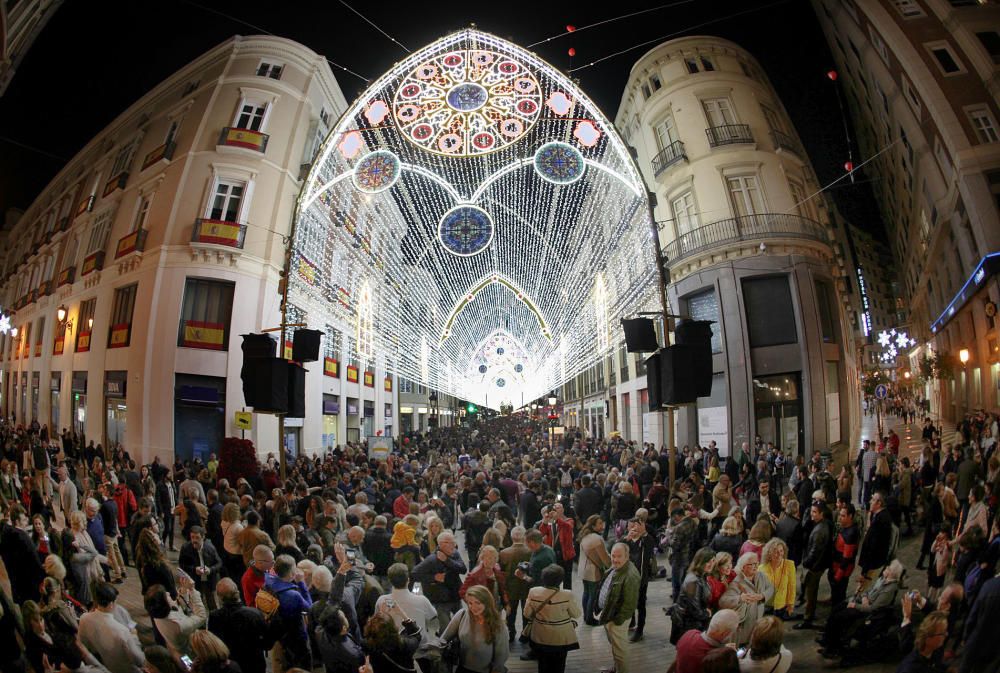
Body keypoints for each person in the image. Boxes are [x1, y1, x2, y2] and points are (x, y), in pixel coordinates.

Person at [816, 559, 904, 658]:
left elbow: (874, 608)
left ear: (892, 573)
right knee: (837, 608)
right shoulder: (882, 579)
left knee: (839, 617)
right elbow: (868, 591)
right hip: (862, 602)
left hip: (866, 612)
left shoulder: (889, 589)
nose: (886, 568)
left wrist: (856, 605)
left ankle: (834, 646)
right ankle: (828, 639)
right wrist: (864, 597)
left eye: (889, 568)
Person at [438, 584, 510, 673]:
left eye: (477, 603)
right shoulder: (462, 615)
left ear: (487, 602)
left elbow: (501, 655)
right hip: (461, 668)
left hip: (486, 671)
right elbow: (444, 639)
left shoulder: (498, 624)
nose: (473, 607)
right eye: (470, 603)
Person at [522, 564, 581, 673]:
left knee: (543, 665)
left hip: (540, 635)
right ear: (560, 580)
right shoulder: (567, 595)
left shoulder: (533, 592)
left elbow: (527, 614)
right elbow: (576, 614)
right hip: (561, 637)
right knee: (559, 665)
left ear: (543, 578)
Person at [78, 582, 145, 673]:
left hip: (106, 666)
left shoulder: (84, 619)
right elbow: (139, 660)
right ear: (111, 604)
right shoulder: (121, 630)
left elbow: (83, 645)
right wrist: (134, 636)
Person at [209, 578, 272, 673]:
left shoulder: (215, 617)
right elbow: (268, 644)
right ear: (238, 592)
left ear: (220, 597)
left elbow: (215, 647)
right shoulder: (255, 613)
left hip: (231, 667)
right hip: (255, 665)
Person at [264, 553, 313, 670]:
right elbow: (309, 608)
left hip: (278, 631)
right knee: (302, 662)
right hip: (296, 634)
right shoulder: (292, 595)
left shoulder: (268, 581)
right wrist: (301, 583)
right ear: (292, 574)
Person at [596, 542, 640, 673]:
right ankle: (617, 669)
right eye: (613, 556)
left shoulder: (630, 575)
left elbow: (629, 605)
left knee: (620, 652)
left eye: (619, 556)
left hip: (616, 620)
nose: (615, 559)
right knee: (616, 648)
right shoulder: (618, 567)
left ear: (627, 556)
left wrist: (616, 621)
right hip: (609, 615)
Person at [411, 530, 468, 631]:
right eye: (449, 542)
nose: (453, 545)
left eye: (453, 542)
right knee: (446, 629)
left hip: (455, 595)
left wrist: (446, 560)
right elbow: (414, 574)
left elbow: (463, 569)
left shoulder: (455, 553)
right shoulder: (432, 559)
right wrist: (433, 578)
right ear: (440, 544)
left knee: (462, 624)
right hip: (441, 599)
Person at [144, 577, 207, 659]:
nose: (168, 593)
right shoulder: (179, 626)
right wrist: (192, 590)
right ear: (164, 604)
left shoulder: (157, 613)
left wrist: (184, 589)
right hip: (189, 654)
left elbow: (178, 606)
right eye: (166, 595)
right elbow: (201, 616)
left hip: (175, 648)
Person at [719, 552, 774, 646]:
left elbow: (771, 588)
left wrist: (763, 596)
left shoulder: (761, 576)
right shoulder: (737, 582)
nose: (755, 566)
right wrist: (740, 598)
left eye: (756, 563)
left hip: (757, 622)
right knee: (742, 648)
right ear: (743, 567)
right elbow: (723, 601)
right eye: (752, 564)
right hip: (743, 626)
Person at [374, 563, 438, 644]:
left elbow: (377, 620)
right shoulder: (422, 600)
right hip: (419, 646)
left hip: (392, 647)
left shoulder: (382, 600)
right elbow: (432, 615)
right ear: (408, 580)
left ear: (390, 581)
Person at [794, 503, 833, 629]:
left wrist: (806, 563)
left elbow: (815, 551)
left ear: (821, 514)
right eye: (812, 511)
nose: (812, 514)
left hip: (814, 567)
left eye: (815, 512)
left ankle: (807, 618)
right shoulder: (823, 525)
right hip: (817, 565)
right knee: (811, 592)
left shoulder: (819, 531)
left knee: (811, 593)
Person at [671, 547, 715, 644]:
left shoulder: (701, 576)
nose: (711, 564)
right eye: (708, 561)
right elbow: (694, 610)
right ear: (700, 561)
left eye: (713, 561)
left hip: (693, 624)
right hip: (689, 626)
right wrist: (707, 613)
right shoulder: (693, 580)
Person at [674, 609, 740, 673]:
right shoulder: (718, 659)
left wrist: (723, 648)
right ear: (725, 633)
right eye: (733, 632)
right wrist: (730, 657)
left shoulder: (689, 633)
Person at [362, 603, 422, 673]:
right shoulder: (405, 645)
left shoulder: (367, 645)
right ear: (393, 628)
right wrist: (403, 614)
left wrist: (380, 616)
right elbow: (417, 636)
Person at [498, 525, 533, 638]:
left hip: (510, 588)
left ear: (512, 537)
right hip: (526, 587)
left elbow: (501, 573)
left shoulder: (504, 553)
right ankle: (525, 633)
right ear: (524, 537)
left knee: (510, 612)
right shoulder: (531, 552)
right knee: (526, 612)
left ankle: (511, 632)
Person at [577, 515, 610, 626]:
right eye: (600, 523)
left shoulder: (585, 536)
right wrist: (611, 565)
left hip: (583, 570)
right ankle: (590, 618)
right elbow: (604, 558)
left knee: (586, 592)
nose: (602, 525)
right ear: (593, 525)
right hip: (592, 571)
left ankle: (586, 616)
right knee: (592, 594)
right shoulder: (596, 539)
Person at [178, 526, 222, 610]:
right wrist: (194, 569)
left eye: (197, 538)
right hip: (195, 582)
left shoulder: (210, 548)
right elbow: (182, 565)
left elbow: (219, 563)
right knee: (196, 605)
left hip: (209, 582)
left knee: (213, 605)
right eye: (192, 537)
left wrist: (211, 570)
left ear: (203, 537)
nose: (194, 540)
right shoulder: (186, 548)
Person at [858, 492, 893, 591]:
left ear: (879, 503)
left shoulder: (881, 520)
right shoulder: (879, 516)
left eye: (873, 500)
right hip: (874, 562)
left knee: (864, 589)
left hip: (873, 563)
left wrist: (864, 571)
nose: (870, 501)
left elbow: (873, 547)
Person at [316, 606, 366, 673]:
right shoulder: (354, 655)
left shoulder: (319, 633)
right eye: (345, 616)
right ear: (344, 628)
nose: (347, 617)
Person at [829, 504, 860, 606]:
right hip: (837, 566)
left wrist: (838, 575)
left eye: (843, 516)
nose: (840, 518)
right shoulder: (846, 528)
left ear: (850, 516)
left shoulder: (851, 533)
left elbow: (847, 558)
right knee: (836, 592)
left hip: (842, 569)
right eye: (840, 515)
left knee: (839, 594)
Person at [759, 538, 795, 619]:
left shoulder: (789, 565)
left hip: (781, 605)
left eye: (781, 551)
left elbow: (791, 587)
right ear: (769, 553)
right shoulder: (761, 568)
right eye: (776, 552)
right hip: (766, 605)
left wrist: (790, 604)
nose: (779, 554)